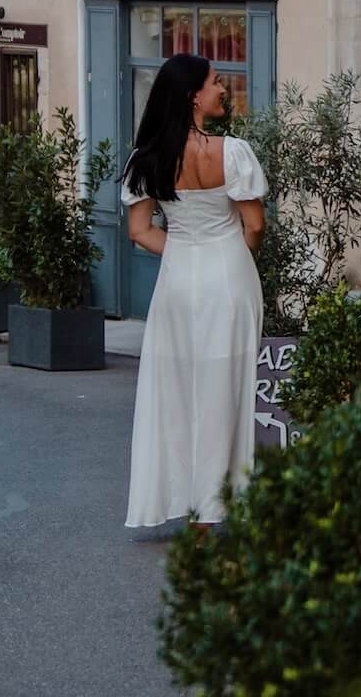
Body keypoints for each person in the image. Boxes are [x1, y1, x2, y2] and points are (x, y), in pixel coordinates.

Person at [121, 53, 267, 529]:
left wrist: (187, 250)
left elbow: (140, 232)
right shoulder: (233, 152)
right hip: (229, 276)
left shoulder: (146, 158)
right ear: (193, 96)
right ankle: (218, 504)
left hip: (178, 281)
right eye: (215, 82)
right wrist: (231, 253)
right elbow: (255, 224)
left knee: (177, 391)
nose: (222, 89)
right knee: (227, 389)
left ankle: (184, 501)